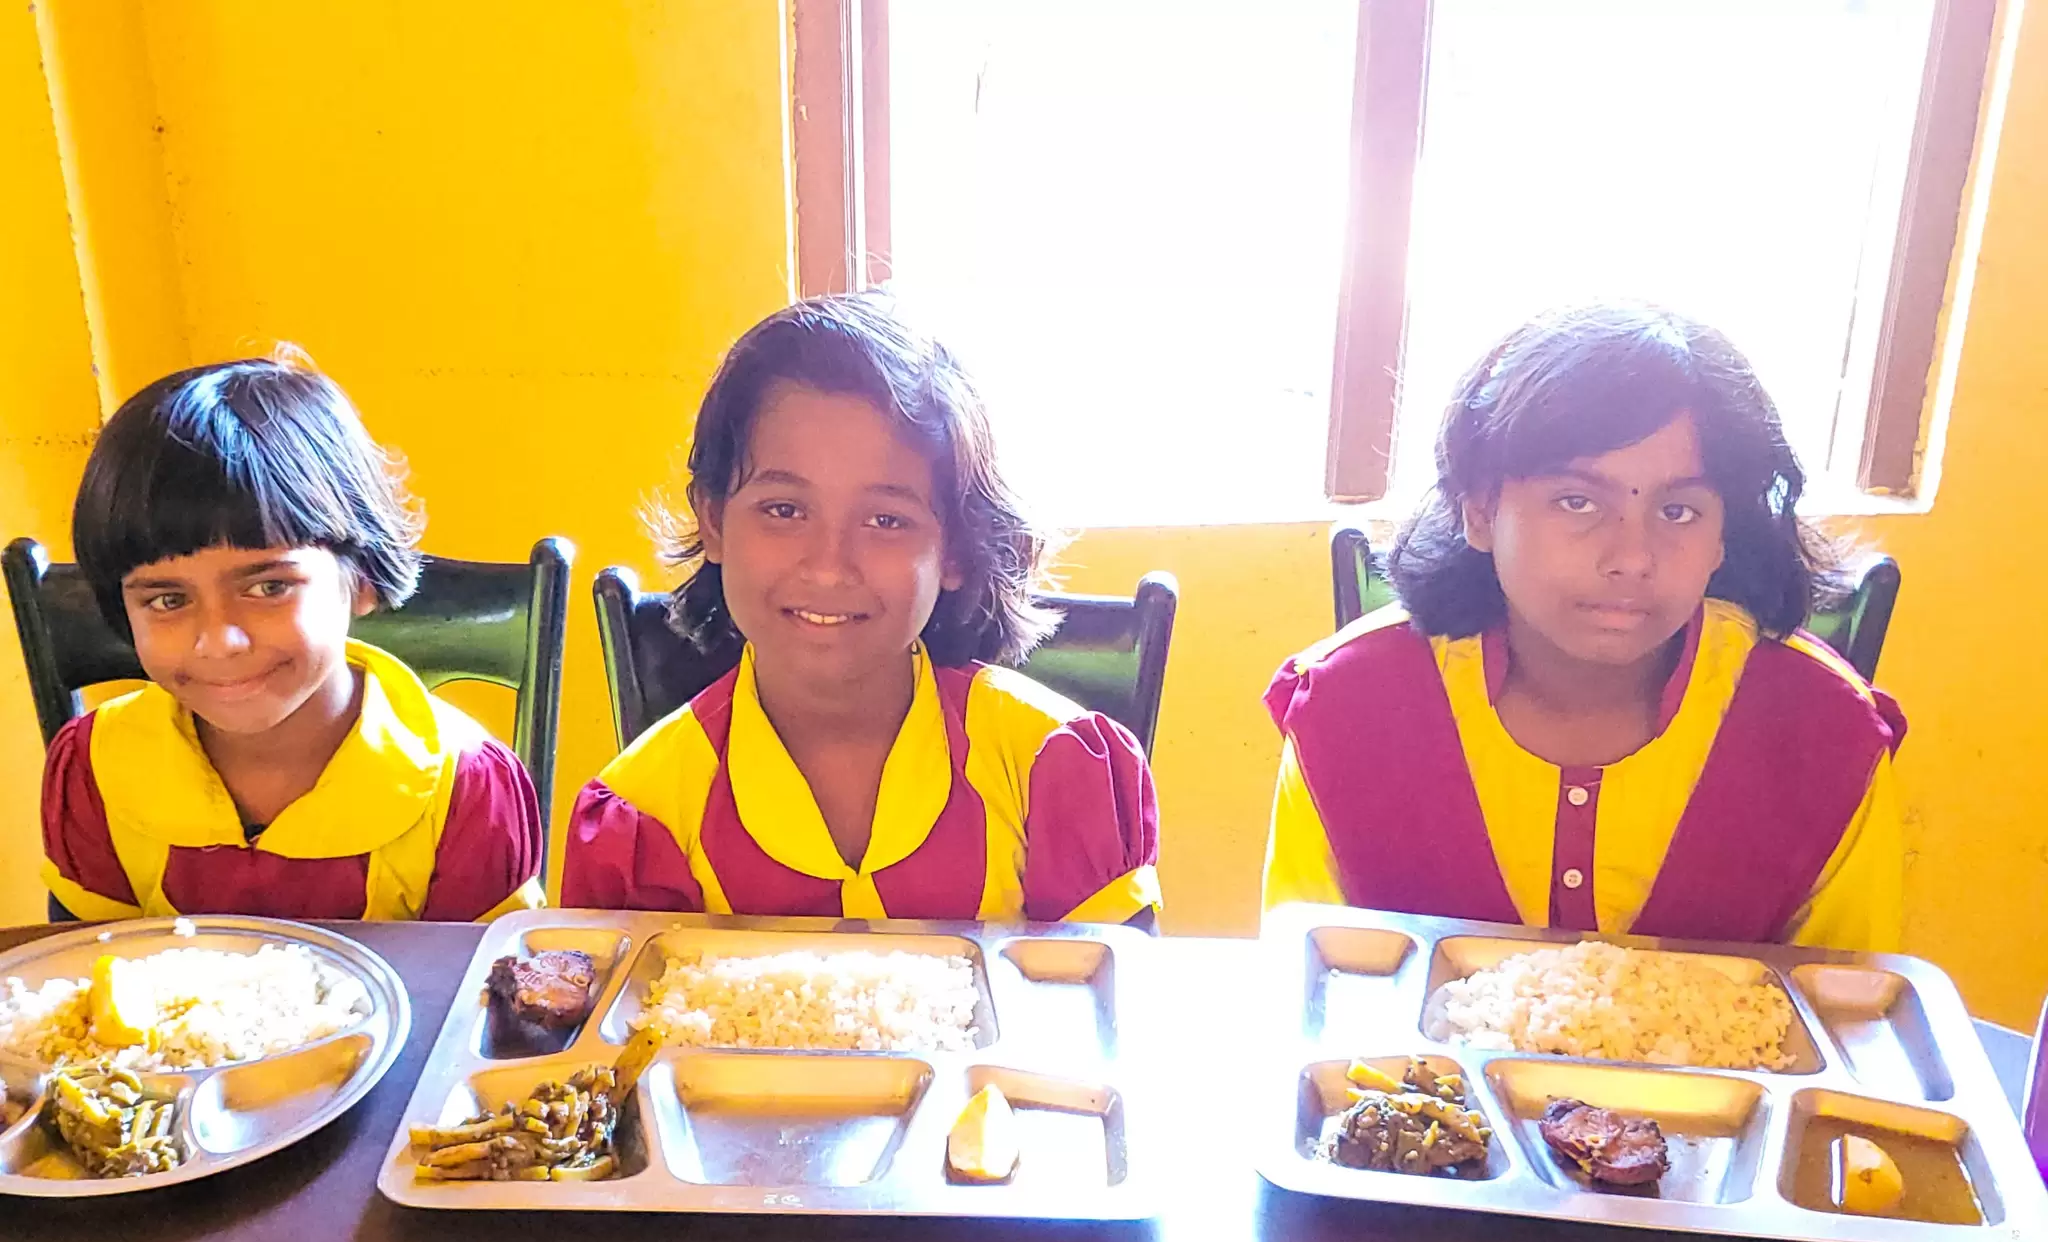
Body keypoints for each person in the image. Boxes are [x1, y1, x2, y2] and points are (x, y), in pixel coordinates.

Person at [1263, 303, 1904, 949]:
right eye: (1577, 502)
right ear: (1481, 511)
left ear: (1723, 536)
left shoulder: (1827, 731)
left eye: (1679, 511)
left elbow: (1846, 996)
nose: (1631, 557)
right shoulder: (1346, 707)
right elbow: (1305, 986)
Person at [562, 293, 1159, 924]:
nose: (828, 566)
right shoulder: (643, 814)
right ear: (713, 521)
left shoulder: (1050, 771)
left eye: (885, 520)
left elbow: (1108, 988)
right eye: (784, 510)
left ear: (956, 549)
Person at [42, 354, 545, 922]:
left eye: (269, 587)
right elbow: (88, 962)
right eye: (167, 600)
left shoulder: (464, 788)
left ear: (362, 580)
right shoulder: (95, 766)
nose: (220, 641)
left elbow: (486, 976)